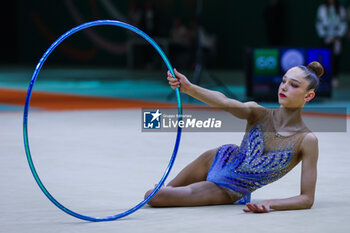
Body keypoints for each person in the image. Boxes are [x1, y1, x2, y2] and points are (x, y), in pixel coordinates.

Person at [144, 61, 324, 213]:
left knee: (154, 196)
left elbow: (306, 198)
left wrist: (270, 203)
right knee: (165, 191)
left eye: (293, 85)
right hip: (219, 157)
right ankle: (172, 191)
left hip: (231, 188)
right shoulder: (258, 113)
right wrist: (189, 88)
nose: (284, 87)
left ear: (309, 95)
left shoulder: (307, 140)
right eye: (283, 81)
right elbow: (224, 101)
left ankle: (171, 193)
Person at [316, 0, 347, 87]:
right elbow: (319, 23)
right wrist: (325, 36)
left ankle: (334, 77)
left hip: (337, 39)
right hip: (325, 38)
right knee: (325, 58)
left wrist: (338, 36)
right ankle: (325, 78)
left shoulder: (341, 9)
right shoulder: (322, 9)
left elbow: (343, 24)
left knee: (336, 57)